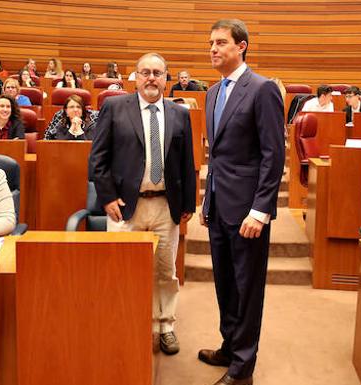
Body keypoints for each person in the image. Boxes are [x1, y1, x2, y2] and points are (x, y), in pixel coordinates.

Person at [90, 52, 196, 356]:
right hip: (125, 206)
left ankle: (165, 325)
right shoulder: (113, 107)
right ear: (135, 77)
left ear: (166, 78)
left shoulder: (180, 114)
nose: (151, 78)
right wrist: (107, 197)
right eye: (146, 72)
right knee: (123, 270)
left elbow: (187, 162)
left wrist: (188, 202)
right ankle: (125, 323)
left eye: (158, 73)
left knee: (165, 271)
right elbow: (98, 159)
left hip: (166, 206)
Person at [199, 19, 285, 385]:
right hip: (219, 205)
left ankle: (243, 369)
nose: (213, 49)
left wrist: (260, 210)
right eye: (211, 43)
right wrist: (207, 202)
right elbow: (216, 156)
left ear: (242, 46)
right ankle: (230, 345)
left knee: (248, 288)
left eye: (221, 42)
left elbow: (273, 155)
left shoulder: (262, 89)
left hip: (248, 209)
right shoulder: (212, 92)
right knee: (225, 283)